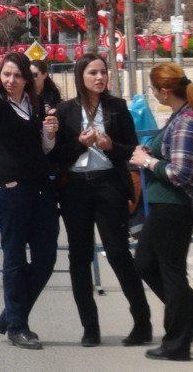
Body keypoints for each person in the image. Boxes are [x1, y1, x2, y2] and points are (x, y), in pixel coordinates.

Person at [50, 53, 151, 347]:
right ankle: (90, 328)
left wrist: (110, 145)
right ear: (80, 76)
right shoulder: (65, 111)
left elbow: (132, 149)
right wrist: (78, 144)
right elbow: (56, 154)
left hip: (109, 186)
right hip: (75, 189)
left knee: (118, 253)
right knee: (79, 257)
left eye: (103, 72)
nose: (99, 78)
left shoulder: (117, 107)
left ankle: (142, 322)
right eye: (93, 72)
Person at [131, 63, 193, 361]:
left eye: (153, 88)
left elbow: (180, 174)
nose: (152, 94)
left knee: (171, 273)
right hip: (163, 206)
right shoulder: (178, 117)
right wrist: (151, 155)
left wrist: (147, 163)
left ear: (164, 91)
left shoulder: (186, 121)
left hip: (174, 207)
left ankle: (177, 342)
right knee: (146, 264)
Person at [0, 51, 59, 350]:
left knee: (47, 257)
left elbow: (43, 150)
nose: (11, 80)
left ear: (27, 79)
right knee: (15, 257)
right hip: (10, 189)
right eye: (6, 74)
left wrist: (50, 135)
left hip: (41, 188)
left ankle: (9, 315)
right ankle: (18, 327)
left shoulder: (36, 105)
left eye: (17, 75)